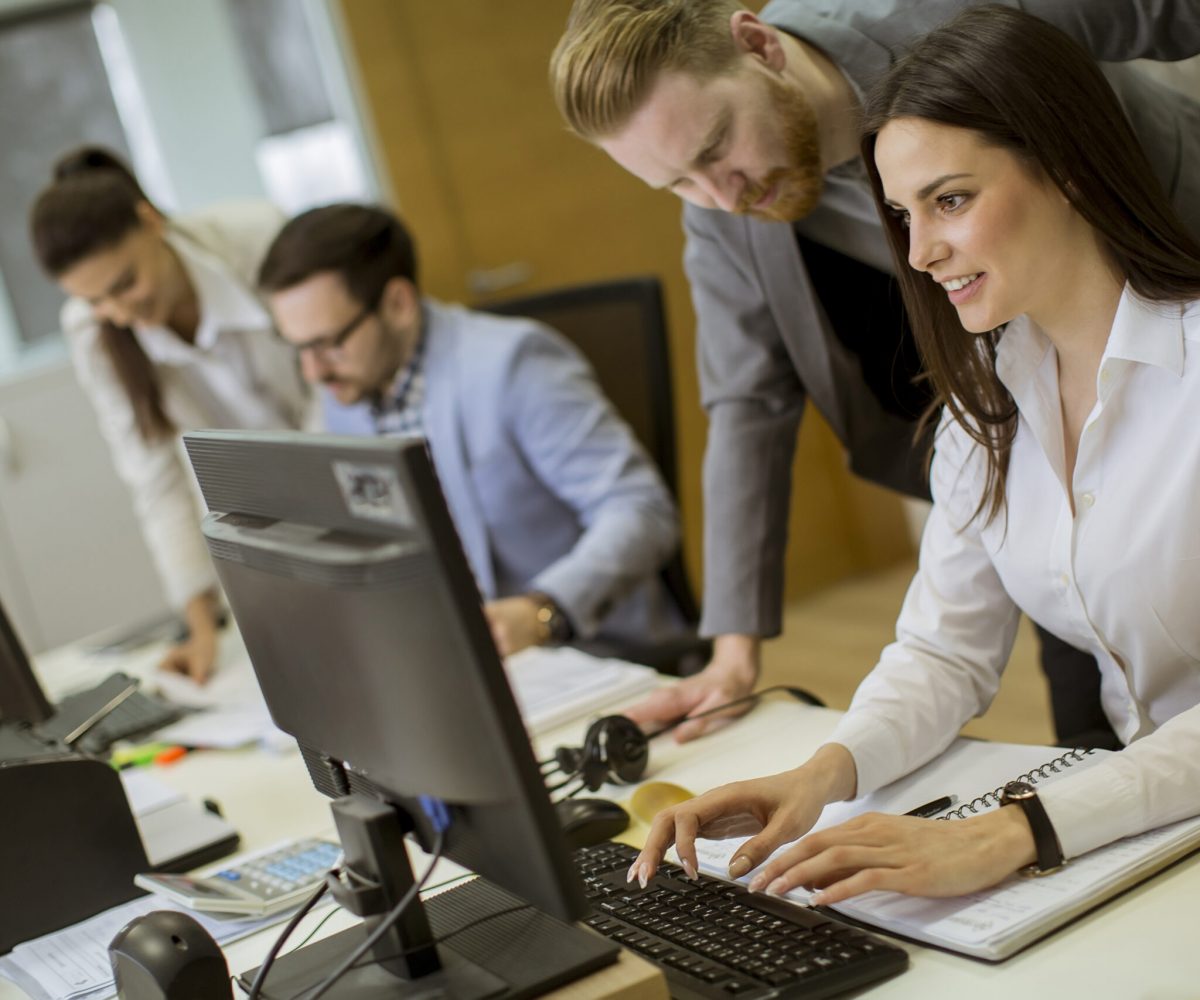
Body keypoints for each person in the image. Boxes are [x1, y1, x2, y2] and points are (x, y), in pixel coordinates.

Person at [627, 4, 1200, 903]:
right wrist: (822, 775)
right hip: (1158, 815)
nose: (922, 253)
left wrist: (1021, 830)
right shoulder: (988, 400)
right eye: (902, 214)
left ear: (1069, 169)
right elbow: (944, 651)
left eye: (953, 200)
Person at [258, 203, 687, 658]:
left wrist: (542, 610)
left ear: (398, 304)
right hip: (456, 654)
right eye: (298, 349)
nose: (312, 372)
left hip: (582, 648)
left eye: (327, 343)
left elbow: (641, 510)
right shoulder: (346, 388)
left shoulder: (512, 365)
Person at [29, 148, 311, 683]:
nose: (118, 312)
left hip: (330, 475)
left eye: (124, 284)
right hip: (259, 528)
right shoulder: (94, 330)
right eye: (95, 301)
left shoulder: (258, 240)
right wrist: (199, 627)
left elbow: (334, 392)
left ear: (150, 221)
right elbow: (155, 476)